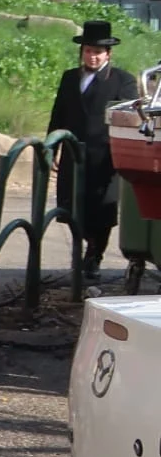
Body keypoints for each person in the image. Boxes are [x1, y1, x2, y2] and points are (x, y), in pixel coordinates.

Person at [48, 19, 140, 276]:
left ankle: (94, 255)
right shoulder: (69, 78)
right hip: (73, 152)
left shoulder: (122, 81)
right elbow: (58, 114)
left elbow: (130, 119)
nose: (93, 57)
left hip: (104, 157)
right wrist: (52, 147)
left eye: (98, 52)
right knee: (71, 206)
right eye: (88, 51)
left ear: (108, 54)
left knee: (101, 209)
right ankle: (82, 250)